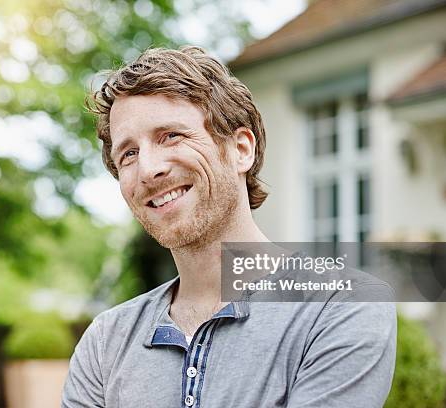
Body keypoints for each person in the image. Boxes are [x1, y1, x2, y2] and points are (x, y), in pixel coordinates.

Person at [61, 46, 396, 407]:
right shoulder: (105, 342)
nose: (147, 169)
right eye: (128, 154)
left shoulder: (341, 306)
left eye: (171, 135)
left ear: (241, 150)